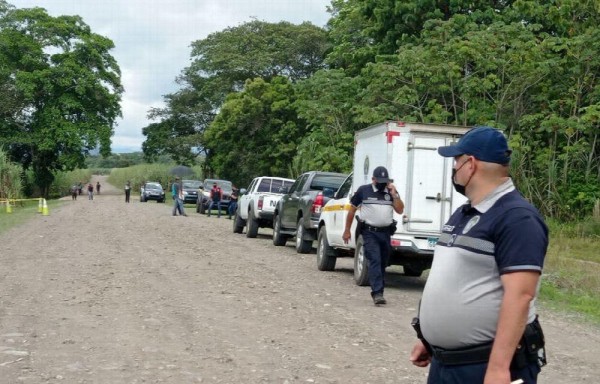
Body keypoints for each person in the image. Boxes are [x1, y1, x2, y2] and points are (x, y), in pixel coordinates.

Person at [409, 127, 548, 384]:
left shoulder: (517, 218)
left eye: (456, 161)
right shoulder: (465, 213)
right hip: (446, 363)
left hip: (483, 367)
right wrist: (431, 341)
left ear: (470, 164)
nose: (453, 169)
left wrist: (498, 369)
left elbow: (520, 295)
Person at [342, 166, 404, 305]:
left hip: (385, 233)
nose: (383, 183)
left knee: (383, 262)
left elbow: (400, 210)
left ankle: (379, 288)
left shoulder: (391, 192)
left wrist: (395, 195)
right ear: (373, 179)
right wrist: (347, 230)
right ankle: (377, 293)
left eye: (385, 181)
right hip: (369, 233)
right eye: (380, 180)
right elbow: (352, 210)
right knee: (374, 260)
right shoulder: (364, 191)